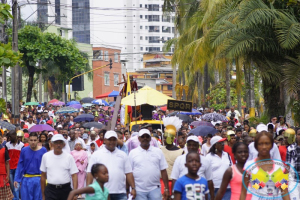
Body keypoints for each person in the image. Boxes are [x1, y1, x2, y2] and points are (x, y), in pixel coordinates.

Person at [86, 130, 136, 200]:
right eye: (109, 139)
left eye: (114, 139)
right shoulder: (96, 154)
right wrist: (88, 189)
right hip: (101, 193)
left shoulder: (123, 155)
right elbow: (90, 173)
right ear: (105, 140)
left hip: (120, 193)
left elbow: (128, 173)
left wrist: (133, 188)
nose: (112, 142)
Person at [240, 131, 290, 200]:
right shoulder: (249, 166)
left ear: (272, 145)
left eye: (267, 143)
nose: (264, 147)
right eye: (260, 144)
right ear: (256, 146)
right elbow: (243, 192)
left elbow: (284, 191)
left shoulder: (279, 167)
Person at [128, 129, 170, 200]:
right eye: (143, 136)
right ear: (139, 138)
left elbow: (163, 170)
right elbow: (129, 172)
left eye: (147, 136)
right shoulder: (133, 153)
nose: (145, 138)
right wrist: (132, 188)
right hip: (138, 190)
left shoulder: (158, 151)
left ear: (150, 138)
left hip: (155, 189)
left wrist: (166, 188)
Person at [171, 135, 214, 199]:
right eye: (189, 145)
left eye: (194, 145)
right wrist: (173, 195)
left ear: (198, 146)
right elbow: (174, 178)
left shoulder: (205, 160)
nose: (191, 147)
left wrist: (212, 197)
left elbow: (209, 181)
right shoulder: (179, 159)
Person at [40, 134, 78, 200]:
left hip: (65, 190)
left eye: (60, 143)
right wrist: (43, 195)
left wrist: (74, 193)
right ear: (52, 144)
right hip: (51, 190)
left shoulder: (69, 157)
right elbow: (43, 176)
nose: (58, 145)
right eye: (56, 143)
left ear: (63, 144)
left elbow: (74, 175)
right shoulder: (46, 156)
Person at [14, 132, 47, 200]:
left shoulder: (43, 150)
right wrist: (17, 179)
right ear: (28, 140)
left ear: (38, 140)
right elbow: (20, 165)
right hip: (26, 179)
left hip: (39, 180)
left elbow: (47, 165)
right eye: (31, 140)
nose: (33, 142)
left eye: (35, 140)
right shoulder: (24, 150)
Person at [160, 116, 184, 195]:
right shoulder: (160, 150)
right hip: (161, 182)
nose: (164, 139)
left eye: (166, 137)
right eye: (164, 137)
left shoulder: (180, 152)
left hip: (175, 182)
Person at [206, 136, 232, 200]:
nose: (223, 145)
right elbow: (206, 173)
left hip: (227, 188)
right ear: (215, 146)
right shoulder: (209, 157)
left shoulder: (227, 155)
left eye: (223, 143)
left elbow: (232, 168)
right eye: (221, 143)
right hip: (214, 188)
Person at [6, 130, 24, 200]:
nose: (10, 138)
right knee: (12, 185)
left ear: (15, 135)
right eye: (9, 136)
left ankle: (16, 198)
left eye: (12, 136)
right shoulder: (7, 145)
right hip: (10, 168)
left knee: (17, 185)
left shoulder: (21, 145)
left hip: (17, 167)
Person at [286, 128, 300, 199]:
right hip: (294, 180)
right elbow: (288, 165)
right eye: (299, 134)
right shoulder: (291, 148)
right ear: (296, 136)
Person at [0, 133, 14, 199]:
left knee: (5, 196)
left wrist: (8, 175)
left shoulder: (4, 150)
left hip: (3, 175)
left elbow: (7, 163)